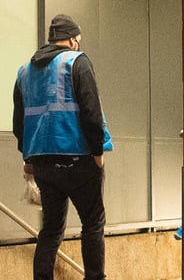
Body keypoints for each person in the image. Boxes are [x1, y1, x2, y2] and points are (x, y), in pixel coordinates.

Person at [13, 14, 111, 280]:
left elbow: (19, 122)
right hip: (78, 159)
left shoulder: (24, 71)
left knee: (51, 229)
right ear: (72, 40)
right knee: (92, 224)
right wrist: (98, 151)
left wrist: (28, 156)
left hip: (42, 163)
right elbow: (91, 111)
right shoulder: (77, 62)